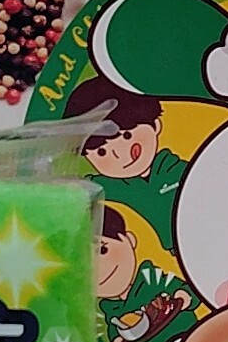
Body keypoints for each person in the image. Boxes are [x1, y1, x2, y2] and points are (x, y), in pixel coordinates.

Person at [67, 77, 188, 233]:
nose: (119, 154)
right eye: (102, 151)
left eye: (127, 136)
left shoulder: (182, 171)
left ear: (156, 125)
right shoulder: (103, 189)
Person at [95, 207, 198, 342]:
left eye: (103, 250)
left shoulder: (151, 277)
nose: (101, 269)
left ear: (130, 240)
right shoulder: (113, 312)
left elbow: (188, 289)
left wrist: (183, 295)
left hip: (193, 335)